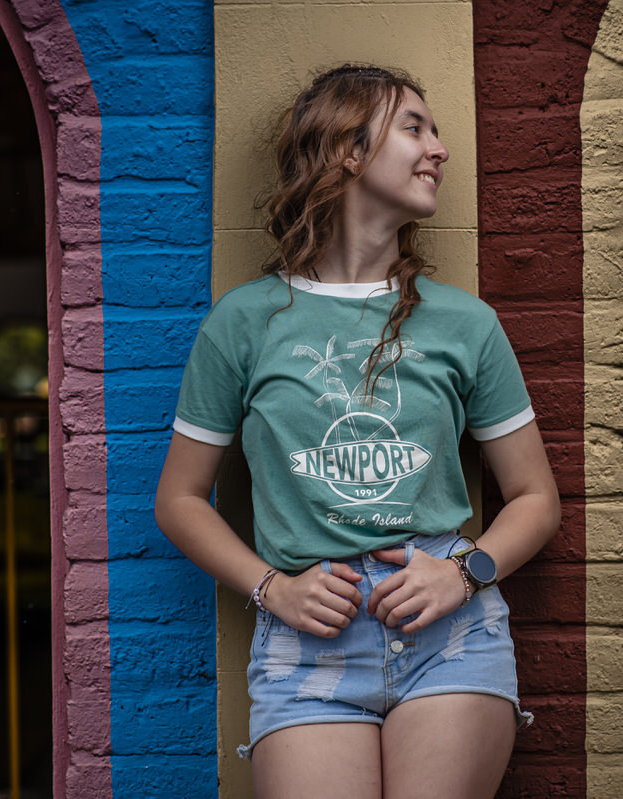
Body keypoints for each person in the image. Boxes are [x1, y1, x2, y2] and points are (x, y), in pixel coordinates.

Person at [155, 64, 560, 799]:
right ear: (349, 149)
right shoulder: (242, 323)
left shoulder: (465, 323)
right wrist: (270, 585)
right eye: (415, 127)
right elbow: (180, 499)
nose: (438, 148)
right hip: (309, 645)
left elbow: (535, 496)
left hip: (450, 634)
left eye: (436, 130)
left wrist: (463, 572)